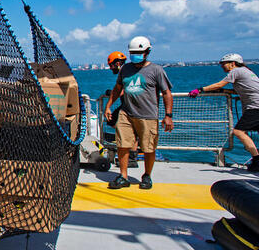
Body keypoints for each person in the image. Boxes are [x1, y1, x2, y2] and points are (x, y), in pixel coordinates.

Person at [104, 36, 174, 190]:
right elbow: (117, 88)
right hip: (126, 113)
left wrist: (168, 116)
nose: (135, 54)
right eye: (132, 52)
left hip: (147, 115)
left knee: (149, 147)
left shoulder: (156, 70)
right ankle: (123, 176)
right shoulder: (125, 69)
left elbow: (166, 93)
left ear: (147, 52)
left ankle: (147, 175)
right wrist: (108, 106)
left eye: (139, 52)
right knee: (122, 144)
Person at [189, 53, 259, 171]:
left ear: (232, 63)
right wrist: (221, 91)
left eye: (224, 64)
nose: (222, 67)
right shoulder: (247, 71)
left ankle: (257, 159)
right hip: (255, 106)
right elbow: (240, 91)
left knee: (238, 132)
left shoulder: (236, 71)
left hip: (255, 107)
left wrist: (200, 89)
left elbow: (219, 83)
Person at [106, 51, 139, 168]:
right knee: (129, 129)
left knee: (114, 122)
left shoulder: (125, 71)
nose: (110, 68)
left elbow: (127, 87)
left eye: (111, 65)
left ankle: (131, 156)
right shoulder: (129, 70)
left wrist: (114, 96)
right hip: (130, 105)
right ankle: (132, 156)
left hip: (130, 105)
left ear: (117, 63)